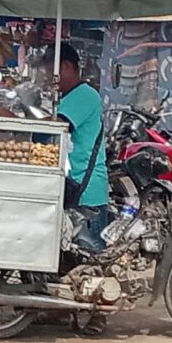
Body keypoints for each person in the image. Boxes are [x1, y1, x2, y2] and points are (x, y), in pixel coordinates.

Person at [55, 43, 110, 252]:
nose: (48, 76)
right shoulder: (69, 96)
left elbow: (59, 126)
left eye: (51, 69)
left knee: (89, 257)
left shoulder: (84, 95)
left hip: (87, 192)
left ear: (67, 66)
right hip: (75, 186)